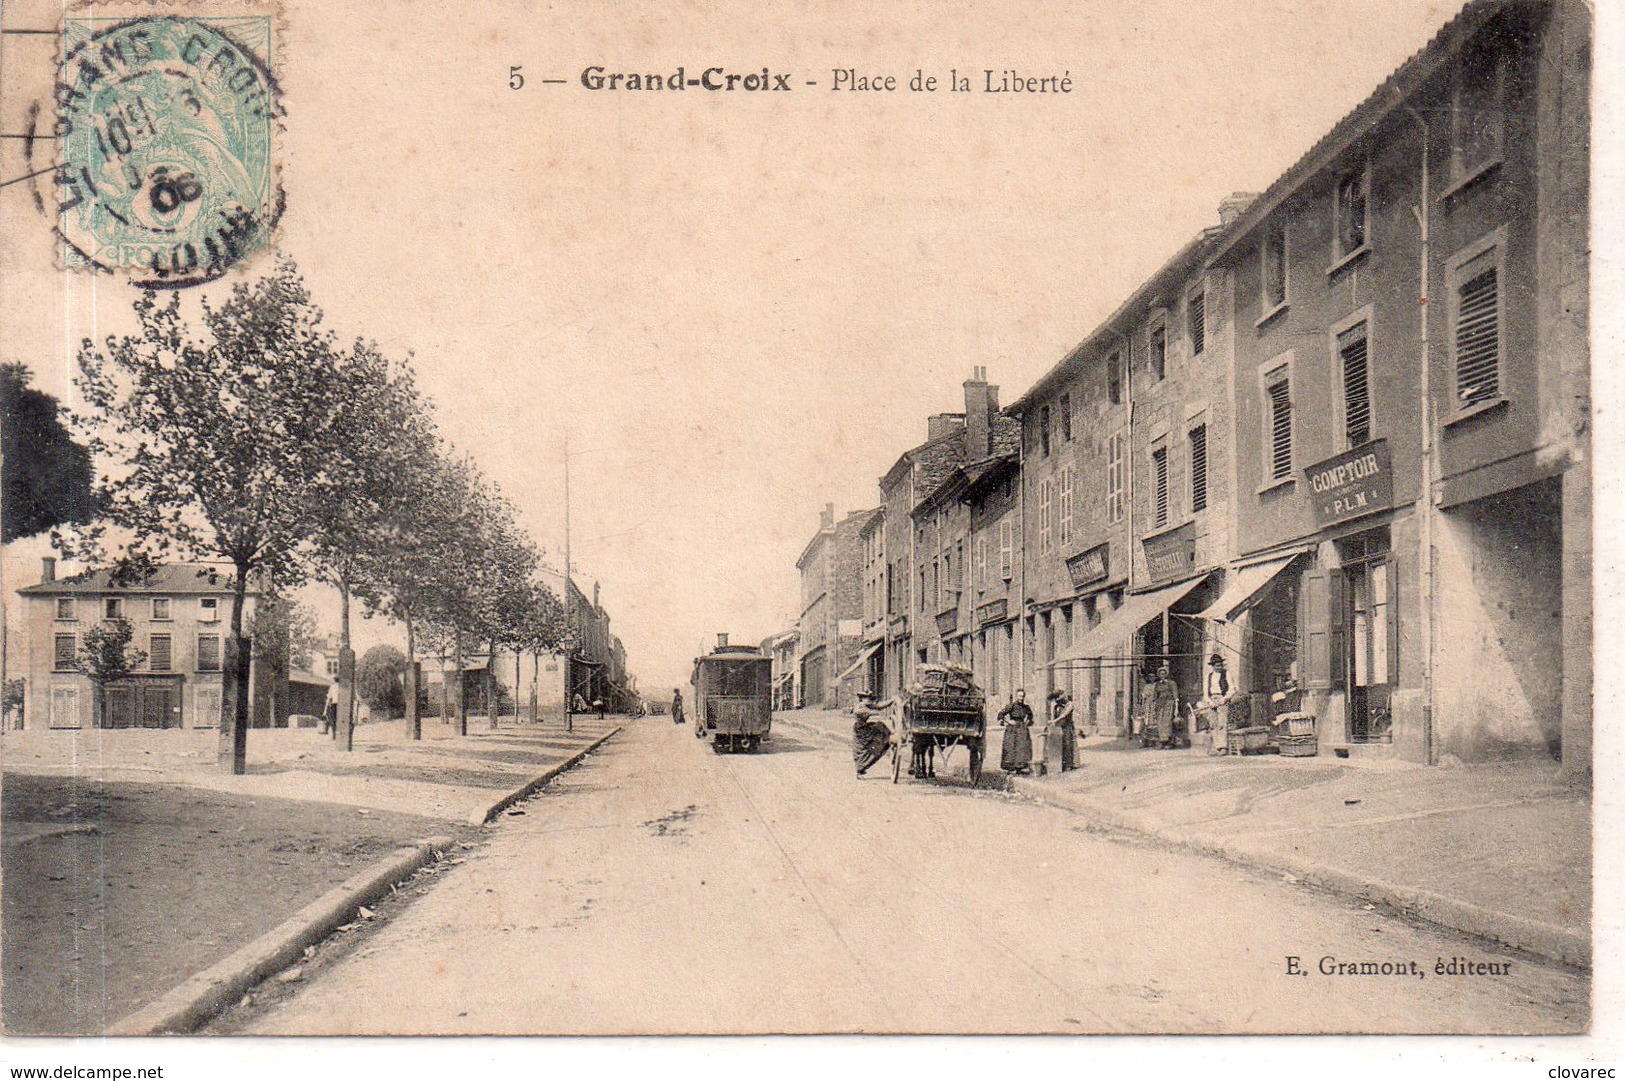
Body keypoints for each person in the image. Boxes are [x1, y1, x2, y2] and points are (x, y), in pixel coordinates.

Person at [851, 696, 894, 777]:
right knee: (864, 749)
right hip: (860, 729)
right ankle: (861, 768)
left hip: (865, 727)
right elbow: (860, 712)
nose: (870, 700)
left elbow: (879, 706)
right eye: (868, 699)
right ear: (862, 699)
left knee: (880, 726)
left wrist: (891, 701)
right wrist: (873, 712)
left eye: (870, 699)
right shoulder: (859, 707)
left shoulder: (867, 705)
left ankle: (861, 767)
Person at [1200, 653, 1233, 756]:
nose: (1219, 667)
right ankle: (1216, 747)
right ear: (1213, 666)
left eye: (1220, 665)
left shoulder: (1226, 674)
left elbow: (1232, 689)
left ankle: (1223, 747)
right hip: (1211, 699)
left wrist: (1224, 699)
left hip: (1222, 699)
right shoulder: (1208, 676)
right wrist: (1209, 701)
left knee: (1222, 723)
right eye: (1217, 666)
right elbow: (1205, 692)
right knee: (1213, 724)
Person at [998, 688, 1034, 775]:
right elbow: (1000, 715)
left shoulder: (1026, 707)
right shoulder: (1011, 706)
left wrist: (1026, 723)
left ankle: (1020, 767)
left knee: (1021, 747)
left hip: (1022, 728)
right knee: (1011, 746)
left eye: (1022, 696)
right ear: (1016, 696)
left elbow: (1030, 716)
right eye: (1019, 696)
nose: (1021, 698)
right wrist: (1009, 722)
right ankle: (1010, 768)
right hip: (1012, 729)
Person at [1148, 664, 1182, 748]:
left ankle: (1168, 741)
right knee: (1160, 722)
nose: (1162, 675)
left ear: (1166, 674)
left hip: (1169, 703)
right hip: (1160, 705)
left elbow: (1175, 695)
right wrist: (1153, 705)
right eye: (1160, 674)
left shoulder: (1171, 683)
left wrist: (1176, 707)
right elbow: (1155, 696)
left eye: (1164, 674)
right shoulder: (1157, 685)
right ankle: (1162, 741)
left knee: (1167, 722)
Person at [1046, 689, 1078, 773]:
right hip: (1058, 727)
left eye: (1059, 700)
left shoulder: (1070, 704)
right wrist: (1052, 723)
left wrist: (1054, 721)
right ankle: (1060, 764)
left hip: (1067, 727)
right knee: (1059, 745)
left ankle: (1069, 765)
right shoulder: (1056, 706)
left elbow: (1064, 715)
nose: (1058, 702)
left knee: (1067, 744)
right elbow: (1054, 716)